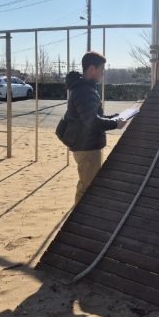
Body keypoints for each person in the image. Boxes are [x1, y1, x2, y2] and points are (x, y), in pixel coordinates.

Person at [65, 52, 126, 204]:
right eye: (101, 70)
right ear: (92, 69)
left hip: (85, 145)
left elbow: (94, 116)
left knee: (86, 183)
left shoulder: (83, 88)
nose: (102, 74)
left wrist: (114, 117)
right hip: (87, 147)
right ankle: (79, 216)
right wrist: (116, 124)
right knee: (88, 187)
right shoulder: (85, 91)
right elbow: (92, 121)